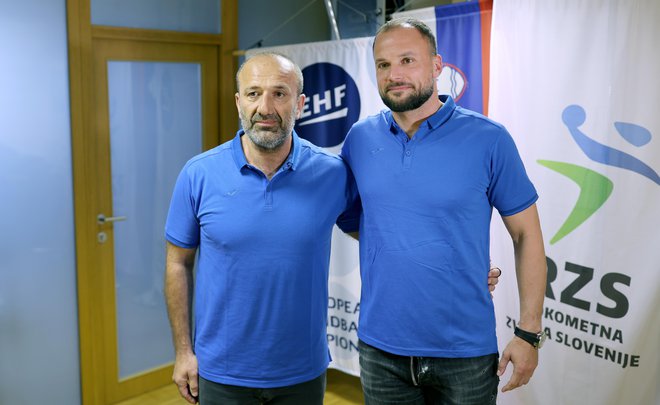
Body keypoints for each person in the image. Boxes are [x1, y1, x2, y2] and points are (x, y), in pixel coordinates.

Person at [164, 51, 503, 405]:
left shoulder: (331, 172)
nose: (265, 106)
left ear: (301, 103)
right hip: (221, 371)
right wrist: (184, 352)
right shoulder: (198, 174)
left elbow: (384, 233)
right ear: (238, 102)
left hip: (302, 372)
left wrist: (460, 265)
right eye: (253, 93)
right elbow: (177, 263)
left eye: (279, 93)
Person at [340, 18, 548, 404]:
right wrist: (432, 253)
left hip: (464, 352)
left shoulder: (489, 139)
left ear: (437, 66)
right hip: (381, 349)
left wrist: (529, 332)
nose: (394, 74)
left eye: (407, 60)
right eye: (384, 65)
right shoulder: (359, 139)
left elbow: (527, 235)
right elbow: (364, 223)